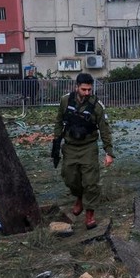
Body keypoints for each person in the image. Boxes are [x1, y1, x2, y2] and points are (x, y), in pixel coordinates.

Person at [52, 73, 114, 229]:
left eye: (89, 90)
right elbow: (59, 121)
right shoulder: (65, 100)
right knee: (69, 177)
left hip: (88, 147)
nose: (87, 93)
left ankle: (90, 215)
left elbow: (104, 129)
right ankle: (79, 196)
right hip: (70, 146)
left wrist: (109, 152)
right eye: (84, 89)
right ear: (77, 87)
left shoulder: (97, 106)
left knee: (91, 182)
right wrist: (56, 143)